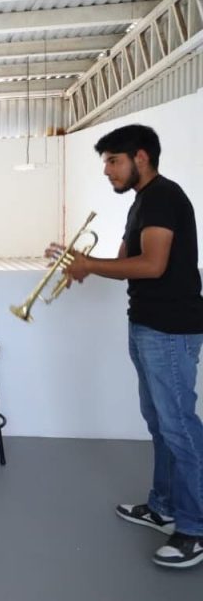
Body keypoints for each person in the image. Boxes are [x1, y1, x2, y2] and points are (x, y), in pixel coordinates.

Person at [61, 124, 203, 569]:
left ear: (140, 157)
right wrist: (82, 265)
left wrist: (89, 263)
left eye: (113, 161)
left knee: (179, 427)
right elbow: (125, 261)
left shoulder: (162, 197)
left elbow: (153, 264)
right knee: (160, 424)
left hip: (169, 330)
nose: (107, 170)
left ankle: (196, 528)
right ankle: (163, 507)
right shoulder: (143, 201)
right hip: (146, 325)